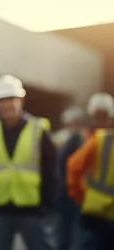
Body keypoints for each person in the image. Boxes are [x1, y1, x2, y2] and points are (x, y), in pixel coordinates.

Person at [0, 74, 57, 250]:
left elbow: (51, 169)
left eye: (11, 98)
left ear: (21, 100)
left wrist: (47, 203)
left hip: (33, 208)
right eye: (2, 99)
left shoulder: (38, 128)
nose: (7, 104)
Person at [54, 92, 114, 250]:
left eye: (104, 116)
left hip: (93, 207)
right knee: (69, 239)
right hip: (79, 204)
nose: (100, 120)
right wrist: (74, 194)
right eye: (97, 116)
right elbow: (67, 166)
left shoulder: (103, 139)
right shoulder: (80, 138)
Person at [67, 128, 114, 250]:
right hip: (98, 216)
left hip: (96, 212)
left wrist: (79, 196)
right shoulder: (101, 139)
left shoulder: (101, 139)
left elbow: (74, 166)